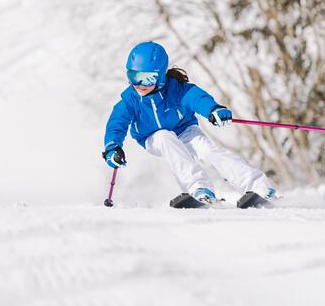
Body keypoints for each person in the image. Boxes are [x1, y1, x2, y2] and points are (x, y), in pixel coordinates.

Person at [102, 41, 275, 206]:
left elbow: (196, 97)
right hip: (151, 138)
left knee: (207, 150)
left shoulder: (175, 89)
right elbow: (116, 124)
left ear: (160, 75)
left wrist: (213, 110)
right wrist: (112, 148)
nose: (139, 84)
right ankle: (198, 187)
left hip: (184, 130)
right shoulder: (129, 100)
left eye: (147, 79)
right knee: (164, 137)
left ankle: (257, 185)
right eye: (133, 76)